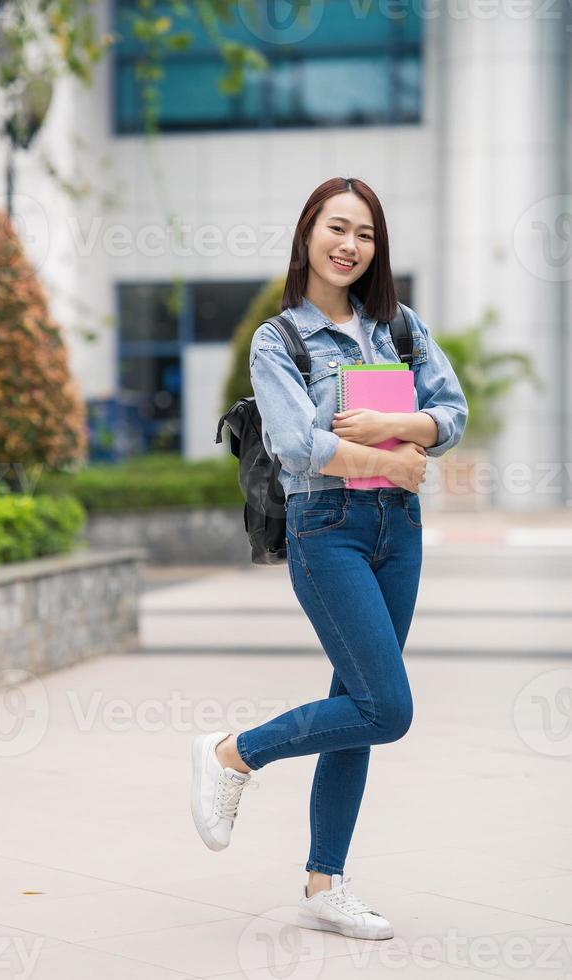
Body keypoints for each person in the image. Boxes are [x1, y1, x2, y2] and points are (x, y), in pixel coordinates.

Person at [190, 177, 468, 940]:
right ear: (309, 233)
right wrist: (387, 455)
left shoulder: (399, 326)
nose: (351, 245)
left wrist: (395, 422)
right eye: (337, 228)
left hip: (398, 531)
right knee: (388, 708)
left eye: (367, 234)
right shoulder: (279, 339)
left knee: (359, 709)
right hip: (329, 530)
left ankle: (324, 883)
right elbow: (292, 445)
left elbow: (453, 412)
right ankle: (232, 753)